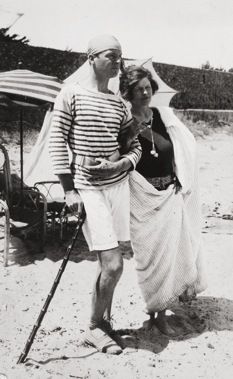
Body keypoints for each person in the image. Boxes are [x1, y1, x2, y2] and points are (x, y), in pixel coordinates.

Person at [49, 35, 142, 354]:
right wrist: (69, 189)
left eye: (120, 56)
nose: (118, 62)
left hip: (118, 188)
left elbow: (135, 146)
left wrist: (122, 162)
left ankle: (103, 323)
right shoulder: (71, 93)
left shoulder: (118, 103)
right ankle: (94, 327)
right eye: (111, 55)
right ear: (91, 58)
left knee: (110, 264)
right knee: (114, 265)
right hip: (88, 189)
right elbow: (56, 141)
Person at [119, 65, 207, 335]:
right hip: (142, 200)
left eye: (148, 87)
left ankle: (161, 312)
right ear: (129, 93)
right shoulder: (123, 121)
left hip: (170, 194)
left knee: (171, 255)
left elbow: (184, 144)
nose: (145, 93)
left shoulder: (162, 115)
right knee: (150, 259)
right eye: (139, 89)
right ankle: (155, 309)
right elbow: (121, 157)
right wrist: (128, 135)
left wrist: (182, 176)